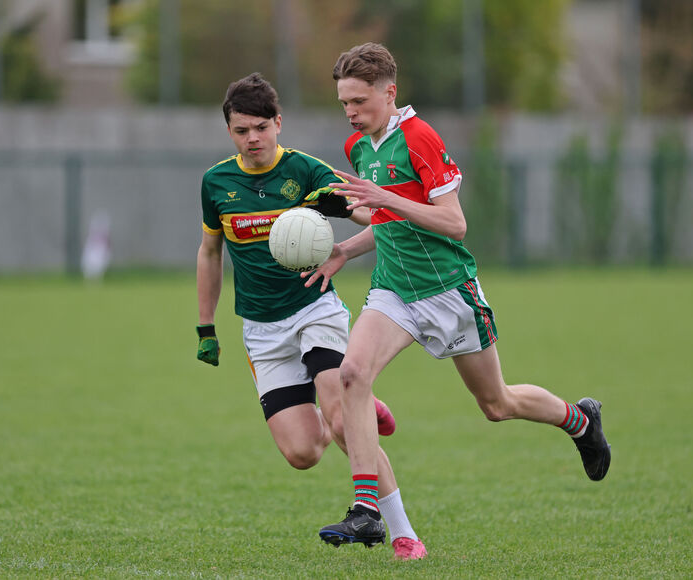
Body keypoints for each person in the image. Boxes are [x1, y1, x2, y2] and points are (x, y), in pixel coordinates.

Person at [302, 43, 612, 548]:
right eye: (344, 103)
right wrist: (345, 250)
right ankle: (366, 509)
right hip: (394, 291)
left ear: (389, 92)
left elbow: (455, 223)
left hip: (449, 292)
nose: (351, 112)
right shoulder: (358, 149)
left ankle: (579, 419)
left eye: (359, 101)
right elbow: (386, 225)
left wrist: (386, 199)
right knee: (352, 374)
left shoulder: (420, 138)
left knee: (496, 403)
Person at [196, 72, 427, 560]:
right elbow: (209, 253)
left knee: (344, 418)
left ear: (278, 123)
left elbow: (370, 216)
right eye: (242, 130)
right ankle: (358, 405)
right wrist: (205, 326)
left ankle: (403, 533)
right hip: (261, 329)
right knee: (302, 453)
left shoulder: (304, 170)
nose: (253, 138)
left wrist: (347, 206)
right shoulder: (216, 182)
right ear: (230, 132)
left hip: (314, 306)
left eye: (261, 127)